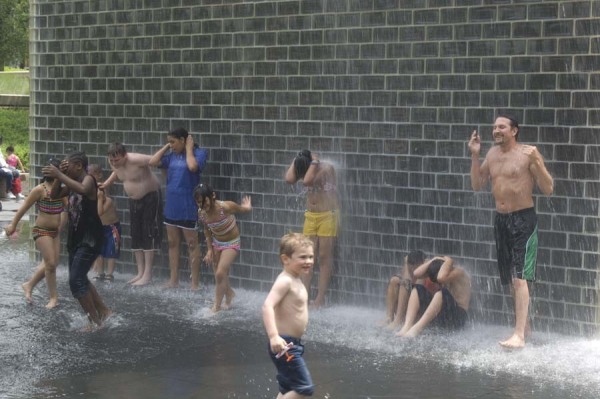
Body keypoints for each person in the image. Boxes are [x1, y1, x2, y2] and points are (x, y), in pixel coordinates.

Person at [469, 114, 553, 349]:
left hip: (523, 220)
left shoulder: (527, 154)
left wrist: (537, 159)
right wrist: (475, 154)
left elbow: (548, 188)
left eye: (501, 127)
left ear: (514, 131)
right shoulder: (492, 155)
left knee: (519, 278)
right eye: (494, 126)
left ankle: (519, 336)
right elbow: (477, 184)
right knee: (509, 279)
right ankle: (524, 327)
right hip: (501, 220)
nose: (496, 130)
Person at [42, 151, 111, 329]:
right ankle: (103, 311)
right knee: (80, 278)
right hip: (77, 238)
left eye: (67, 166)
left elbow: (83, 189)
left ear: (79, 166)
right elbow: (54, 195)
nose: (64, 169)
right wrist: (60, 175)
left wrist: (59, 174)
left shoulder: (88, 179)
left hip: (90, 238)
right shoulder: (71, 182)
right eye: (63, 166)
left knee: (76, 281)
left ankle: (94, 322)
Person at [149, 127, 208, 289]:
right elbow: (152, 162)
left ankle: (194, 284)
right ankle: (173, 280)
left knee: (191, 244)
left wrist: (188, 149)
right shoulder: (171, 156)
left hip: (188, 207)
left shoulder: (199, 153)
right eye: (169, 142)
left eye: (173, 142)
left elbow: (193, 167)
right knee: (172, 243)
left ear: (183, 140)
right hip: (172, 207)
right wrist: (167, 146)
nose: (171, 145)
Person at [4, 158, 67, 308]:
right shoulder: (40, 189)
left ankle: (29, 285)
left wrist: (61, 225)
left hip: (54, 232)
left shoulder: (62, 190)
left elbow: (67, 209)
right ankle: (53, 298)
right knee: (50, 264)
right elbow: (24, 207)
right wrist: (13, 224)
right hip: (42, 231)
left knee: (52, 264)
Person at [101, 142, 163, 286]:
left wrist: (166, 147)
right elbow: (117, 173)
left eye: (117, 160)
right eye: (111, 160)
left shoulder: (136, 159)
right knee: (136, 234)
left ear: (124, 155)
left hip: (151, 197)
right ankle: (140, 272)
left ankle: (147, 274)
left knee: (148, 233)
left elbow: (156, 160)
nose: (114, 163)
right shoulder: (114, 163)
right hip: (134, 200)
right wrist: (106, 183)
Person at [262, 232, 315, 398]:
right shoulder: (285, 281)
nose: (308, 261)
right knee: (304, 388)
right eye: (303, 257)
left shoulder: (295, 279)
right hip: (285, 345)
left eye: (311, 257)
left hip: (291, 344)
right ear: (286, 259)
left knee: (286, 389)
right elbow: (267, 306)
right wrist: (273, 336)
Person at [285, 149, 339, 308]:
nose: (300, 175)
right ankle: (305, 295)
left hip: (328, 215)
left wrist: (315, 161)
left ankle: (320, 298)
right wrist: (296, 159)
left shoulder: (326, 169)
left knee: (323, 256)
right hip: (311, 216)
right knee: (307, 255)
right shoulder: (307, 168)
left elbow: (308, 180)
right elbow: (289, 179)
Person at [195, 184, 252, 312]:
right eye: (200, 203)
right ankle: (229, 294)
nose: (204, 206)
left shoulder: (225, 207)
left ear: (213, 196)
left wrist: (247, 207)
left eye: (206, 202)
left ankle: (216, 306)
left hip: (232, 242)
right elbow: (207, 230)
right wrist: (209, 249)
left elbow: (241, 210)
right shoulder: (202, 213)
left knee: (220, 272)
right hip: (217, 243)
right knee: (219, 275)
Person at [397, 256, 471, 337]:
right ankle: (407, 326)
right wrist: (434, 259)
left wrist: (449, 260)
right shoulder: (440, 270)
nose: (438, 284)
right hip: (442, 315)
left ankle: (416, 329)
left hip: (458, 318)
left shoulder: (459, 272)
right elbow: (416, 273)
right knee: (418, 288)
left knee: (442, 293)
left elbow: (440, 278)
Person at [381, 250, 440, 330]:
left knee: (406, 284)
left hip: (427, 310)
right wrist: (406, 265)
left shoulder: (431, 269)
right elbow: (405, 281)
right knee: (394, 280)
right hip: (412, 306)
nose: (413, 273)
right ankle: (389, 318)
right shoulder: (408, 270)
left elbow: (418, 287)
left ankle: (398, 320)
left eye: (415, 269)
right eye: (410, 270)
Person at [89, 164, 121, 282]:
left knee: (111, 251)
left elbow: (100, 212)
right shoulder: (94, 200)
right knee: (99, 251)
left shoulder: (109, 201)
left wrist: (99, 198)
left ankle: (110, 274)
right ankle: (100, 273)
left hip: (112, 228)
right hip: (100, 228)